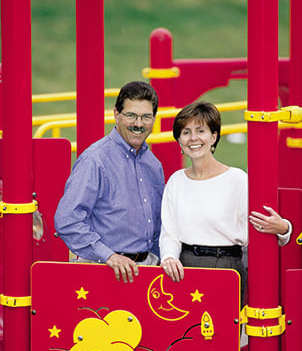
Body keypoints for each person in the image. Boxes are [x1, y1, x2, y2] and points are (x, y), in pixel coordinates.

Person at [159, 101, 291, 305]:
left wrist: (284, 229)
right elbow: (170, 233)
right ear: (179, 140)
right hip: (184, 270)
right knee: (184, 336)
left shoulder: (237, 179)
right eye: (186, 132)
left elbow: (261, 229)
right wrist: (169, 257)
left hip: (226, 269)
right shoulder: (176, 181)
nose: (193, 138)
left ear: (213, 137)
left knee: (223, 336)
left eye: (200, 130)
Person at [55, 81, 165, 283]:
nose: (139, 124)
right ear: (116, 114)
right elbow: (67, 220)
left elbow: (158, 222)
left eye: (146, 117)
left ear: (153, 119)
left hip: (148, 272)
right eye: (131, 115)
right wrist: (108, 256)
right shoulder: (94, 161)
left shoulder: (153, 165)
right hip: (103, 272)